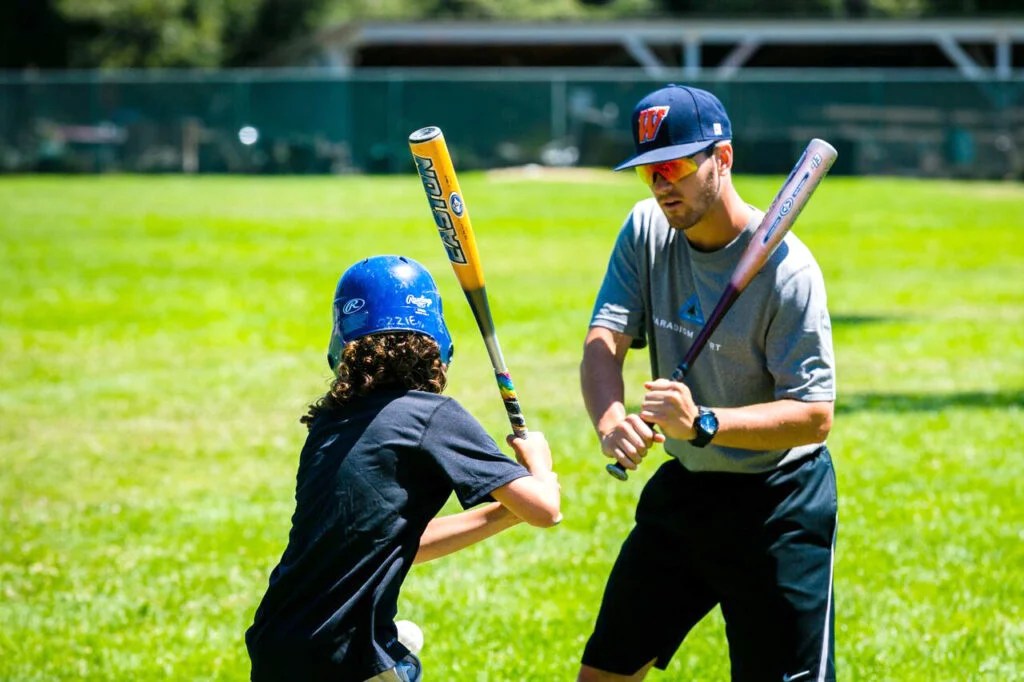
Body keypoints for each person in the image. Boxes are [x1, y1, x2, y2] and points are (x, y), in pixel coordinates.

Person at [577, 84, 838, 682]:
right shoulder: (646, 229)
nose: (661, 185)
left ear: (722, 158)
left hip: (780, 503)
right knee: (604, 673)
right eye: (649, 172)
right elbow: (604, 340)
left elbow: (814, 413)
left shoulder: (788, 271)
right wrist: (610, 420)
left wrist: (703, 423)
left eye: (674, 166)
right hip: (688, 493)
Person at [246, 255, 561, 682]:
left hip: (279, 643)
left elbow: (396, 542)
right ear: (435, 340)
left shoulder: (330, 424)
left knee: (402, 651)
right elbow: (546, 510)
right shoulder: (433, 417)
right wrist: (539, 467)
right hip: (346, 654)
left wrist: (508, 510)